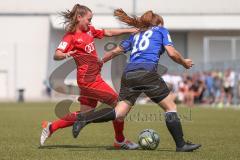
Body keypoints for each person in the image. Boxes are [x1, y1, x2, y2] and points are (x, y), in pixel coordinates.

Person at [72, 9, 201, 152]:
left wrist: (101, 61)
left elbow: (115, 51)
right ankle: (181, 145)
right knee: (171, 108)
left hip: (128, 74)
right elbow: (172, 52)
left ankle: (85, 119)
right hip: (146, 73)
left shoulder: (136, 35)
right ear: (158, 23)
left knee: (119, 112)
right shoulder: (161, 30)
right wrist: (184, 63)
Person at [40, 4, 139, 150]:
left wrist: (131, 30)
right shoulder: (71, 37)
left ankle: (51, 127)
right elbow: (57, 54)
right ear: (79, 17)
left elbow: (109, 32)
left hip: (93, 78)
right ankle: (120, 140)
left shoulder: (90, 31)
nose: (90, 22)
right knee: (119, 105)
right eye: (89, 19)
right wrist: (67, 53)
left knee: (85, 114)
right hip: (88, 81)